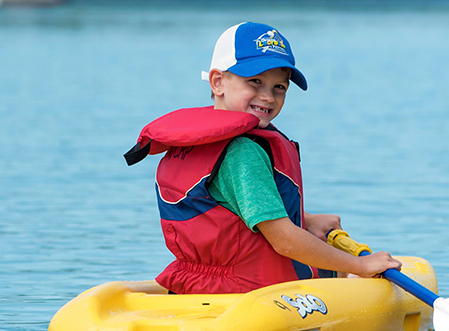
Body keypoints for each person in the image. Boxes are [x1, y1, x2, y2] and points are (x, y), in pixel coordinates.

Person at [124, 22, 401, 294]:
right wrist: (360, 264)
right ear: (218, 81)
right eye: (255, 82)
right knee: (339, 271)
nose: (268, 97)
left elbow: (230, 209)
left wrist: (305, 220)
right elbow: (285, 242)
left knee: (328, 262)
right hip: (249, 295)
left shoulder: (199, 142)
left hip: (193, 287)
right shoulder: (244, 150)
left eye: (279, 87)